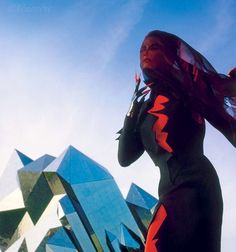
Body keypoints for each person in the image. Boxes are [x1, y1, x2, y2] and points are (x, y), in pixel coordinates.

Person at [118, 30, 236, 252]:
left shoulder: (187, 89)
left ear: (167, 55)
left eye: (153, 47)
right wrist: (133, 106)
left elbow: (219, 94)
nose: (145, 52)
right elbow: (125, 158)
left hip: (197, 184)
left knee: (157, 244)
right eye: (142, 49)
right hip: (169, 189)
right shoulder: (143, 110)